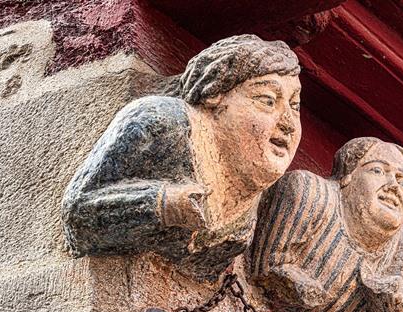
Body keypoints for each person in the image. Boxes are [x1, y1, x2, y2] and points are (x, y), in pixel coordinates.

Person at [62, 35, 302, 280]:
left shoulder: (253, 191)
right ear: (214, 94)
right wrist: (166, 203)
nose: (288, 123)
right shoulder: (162, 122)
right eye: (267, 100)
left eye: (295, 105)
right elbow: (78, 215)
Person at [248, 137, 403, 312]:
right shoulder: (310, 192)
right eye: (377, 170)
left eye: (402, 181)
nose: (394, 186)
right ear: (347, 175)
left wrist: (391, 291)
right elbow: (269, 267)